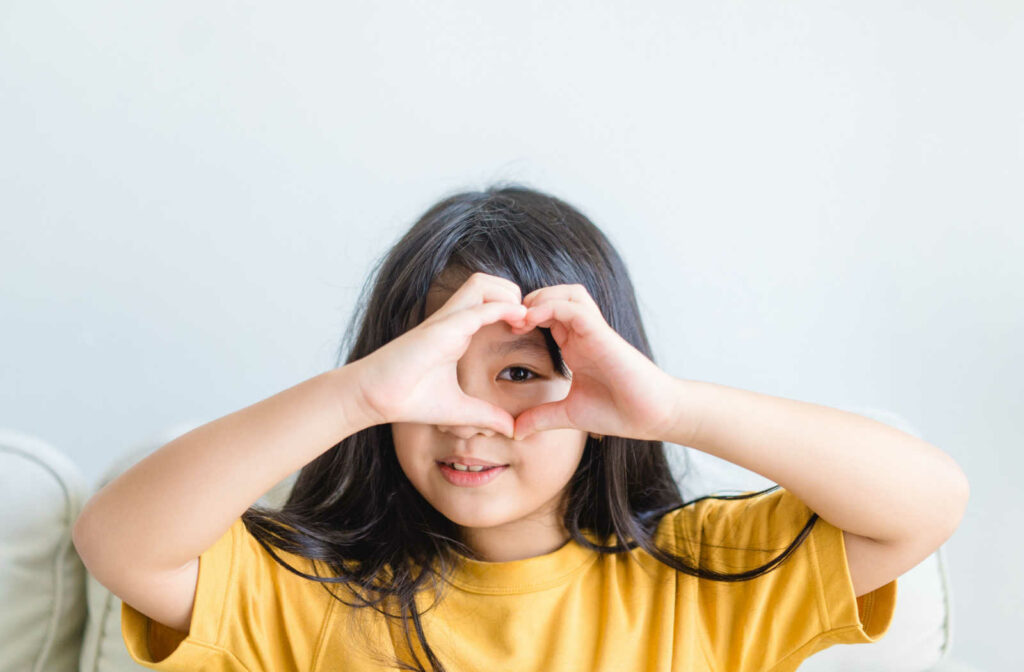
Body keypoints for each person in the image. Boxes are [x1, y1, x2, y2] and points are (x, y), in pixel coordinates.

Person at [73, 184, 968, 672]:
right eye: (433, 382)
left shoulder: (705, 577)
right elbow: (118, 543)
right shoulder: (308, 591)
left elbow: (927, 504)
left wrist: (672, 408)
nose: (472, 426)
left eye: (516, 377)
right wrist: (357, 398)